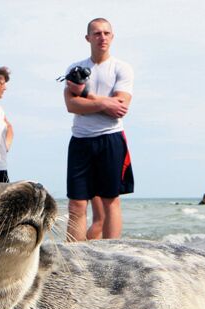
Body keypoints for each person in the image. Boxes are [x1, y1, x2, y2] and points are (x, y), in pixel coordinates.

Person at [63, 18, 134, 242]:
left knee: (110, 200)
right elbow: (71, 105)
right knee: (76, 203)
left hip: (110, 138)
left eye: (106, 33)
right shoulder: (75, 69)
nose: (101, 37)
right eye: (96, 33)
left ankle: (112, 252)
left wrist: (88, 98)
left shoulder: (122, 68)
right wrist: (105, 103)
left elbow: (121, 107)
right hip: (80, 140)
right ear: (88, 38)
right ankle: (74, 257)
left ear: (112, 37)